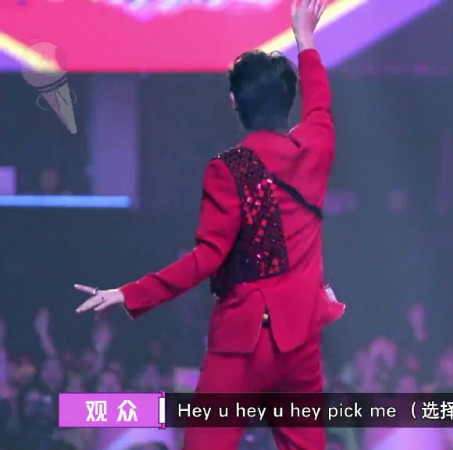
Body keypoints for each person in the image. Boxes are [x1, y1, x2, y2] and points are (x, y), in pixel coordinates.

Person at [73, 1, 344, 449]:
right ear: (288, 100)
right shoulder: (316, 149)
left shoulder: (228, 169)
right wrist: (306, 40)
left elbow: (207, 259)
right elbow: (320, 107)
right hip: (299, 340)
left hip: (243, 341)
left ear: (235, 101)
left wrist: (130, 293)